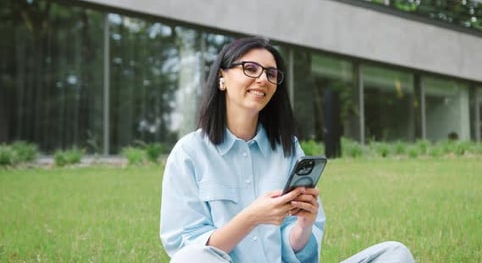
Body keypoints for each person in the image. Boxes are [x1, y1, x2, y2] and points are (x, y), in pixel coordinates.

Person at [159, 37, 415, 263]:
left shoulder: (288, 148)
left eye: (271, 74)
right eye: (250, 68)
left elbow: (299, 252)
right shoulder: (189, 153)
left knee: (394, 253)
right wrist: (251, 218)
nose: (263, 79)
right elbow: (189, 251)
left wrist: (304, 224)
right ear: (222, 78)